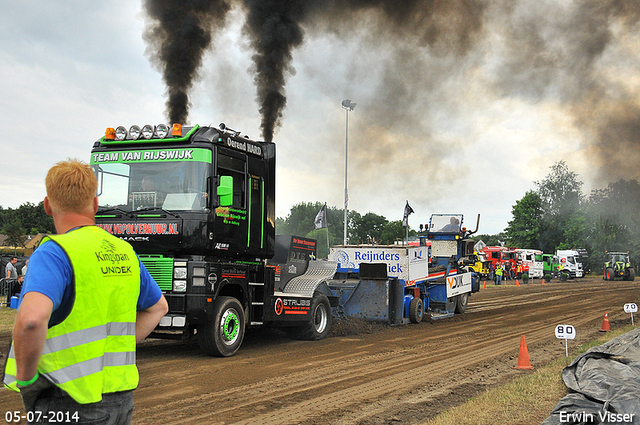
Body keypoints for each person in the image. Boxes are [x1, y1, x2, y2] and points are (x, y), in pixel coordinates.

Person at [3, 159, 168, 424]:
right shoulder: (125, 252)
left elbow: (31, 321)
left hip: (67, 398)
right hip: (120, 398)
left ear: (47, 205)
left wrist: (26, 379)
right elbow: (158, 307)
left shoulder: (54, 252)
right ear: (94, 204)